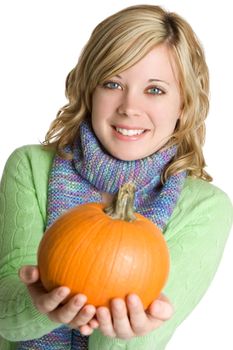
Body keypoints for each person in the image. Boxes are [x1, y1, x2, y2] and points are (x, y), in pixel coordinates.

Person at [0, 4, 232, 350]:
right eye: (113, 83)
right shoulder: (31, 168)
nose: (129, 107)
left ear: (183, 104)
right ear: (89, 90)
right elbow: (4, 313)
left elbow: (141, 341)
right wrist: (39, 307)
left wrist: (124, 332)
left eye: (155, 89)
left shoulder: (206, 208)